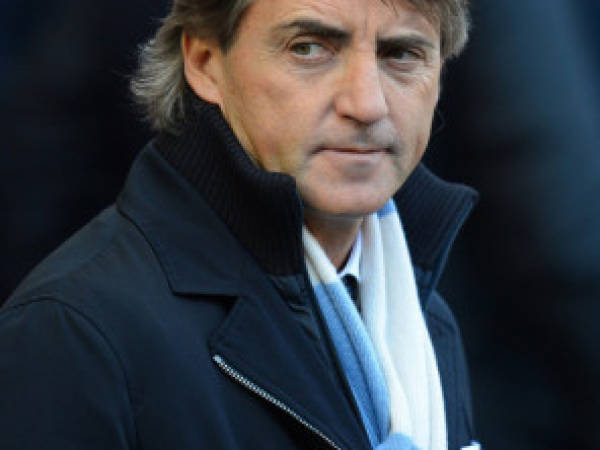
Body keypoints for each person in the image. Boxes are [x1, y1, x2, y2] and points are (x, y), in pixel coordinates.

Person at [0, 0, 479, 449]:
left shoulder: (422, 318)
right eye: (309, 48)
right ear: (205, 61)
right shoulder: (72, 332)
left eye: (401, 54)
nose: (367, 103)